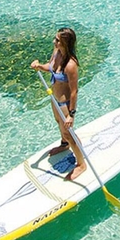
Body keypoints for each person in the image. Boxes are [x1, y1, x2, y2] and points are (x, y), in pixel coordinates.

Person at [30, 28, 86, 180]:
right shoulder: (56, 52)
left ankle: (81, 164)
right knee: (58, 123)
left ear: (66, 43)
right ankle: (64, 145)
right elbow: (51, 66)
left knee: (69, 133)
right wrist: (40, 66)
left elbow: (74, 92)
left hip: (65, 104)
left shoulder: (71, 65)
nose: (54, 42)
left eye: (57, 40)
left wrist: (71, 115)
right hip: (54, 99)